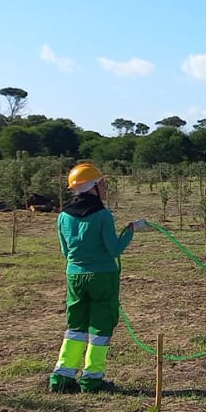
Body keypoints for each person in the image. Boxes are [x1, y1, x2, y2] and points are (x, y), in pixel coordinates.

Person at [49, 163, 144, 393]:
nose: (105, 186)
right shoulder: (103, 215)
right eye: (102, 183)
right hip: (103, 277)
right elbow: (113, 250)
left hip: (74, 277)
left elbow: (65, 252)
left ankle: (62, 376)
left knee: (75, 327)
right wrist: (131, 230)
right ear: (93, 187)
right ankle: (92, 379)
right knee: (101, 328)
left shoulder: (63, 217)